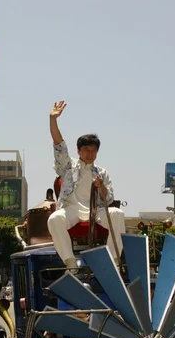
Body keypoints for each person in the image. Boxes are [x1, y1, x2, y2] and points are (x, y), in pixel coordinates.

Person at [47, 100, 126, 272]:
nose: (90, 154)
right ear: (79, 151)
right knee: (54, 219)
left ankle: (112, 261)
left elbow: (109, 198)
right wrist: (53, 120)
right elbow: (58, 144)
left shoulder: (101, 172)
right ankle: (70, 262)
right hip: (72, 209)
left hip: (95, 210)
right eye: (86, 150)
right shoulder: (68, 167)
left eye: (93, 151)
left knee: (118, 214)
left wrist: (101, 186)